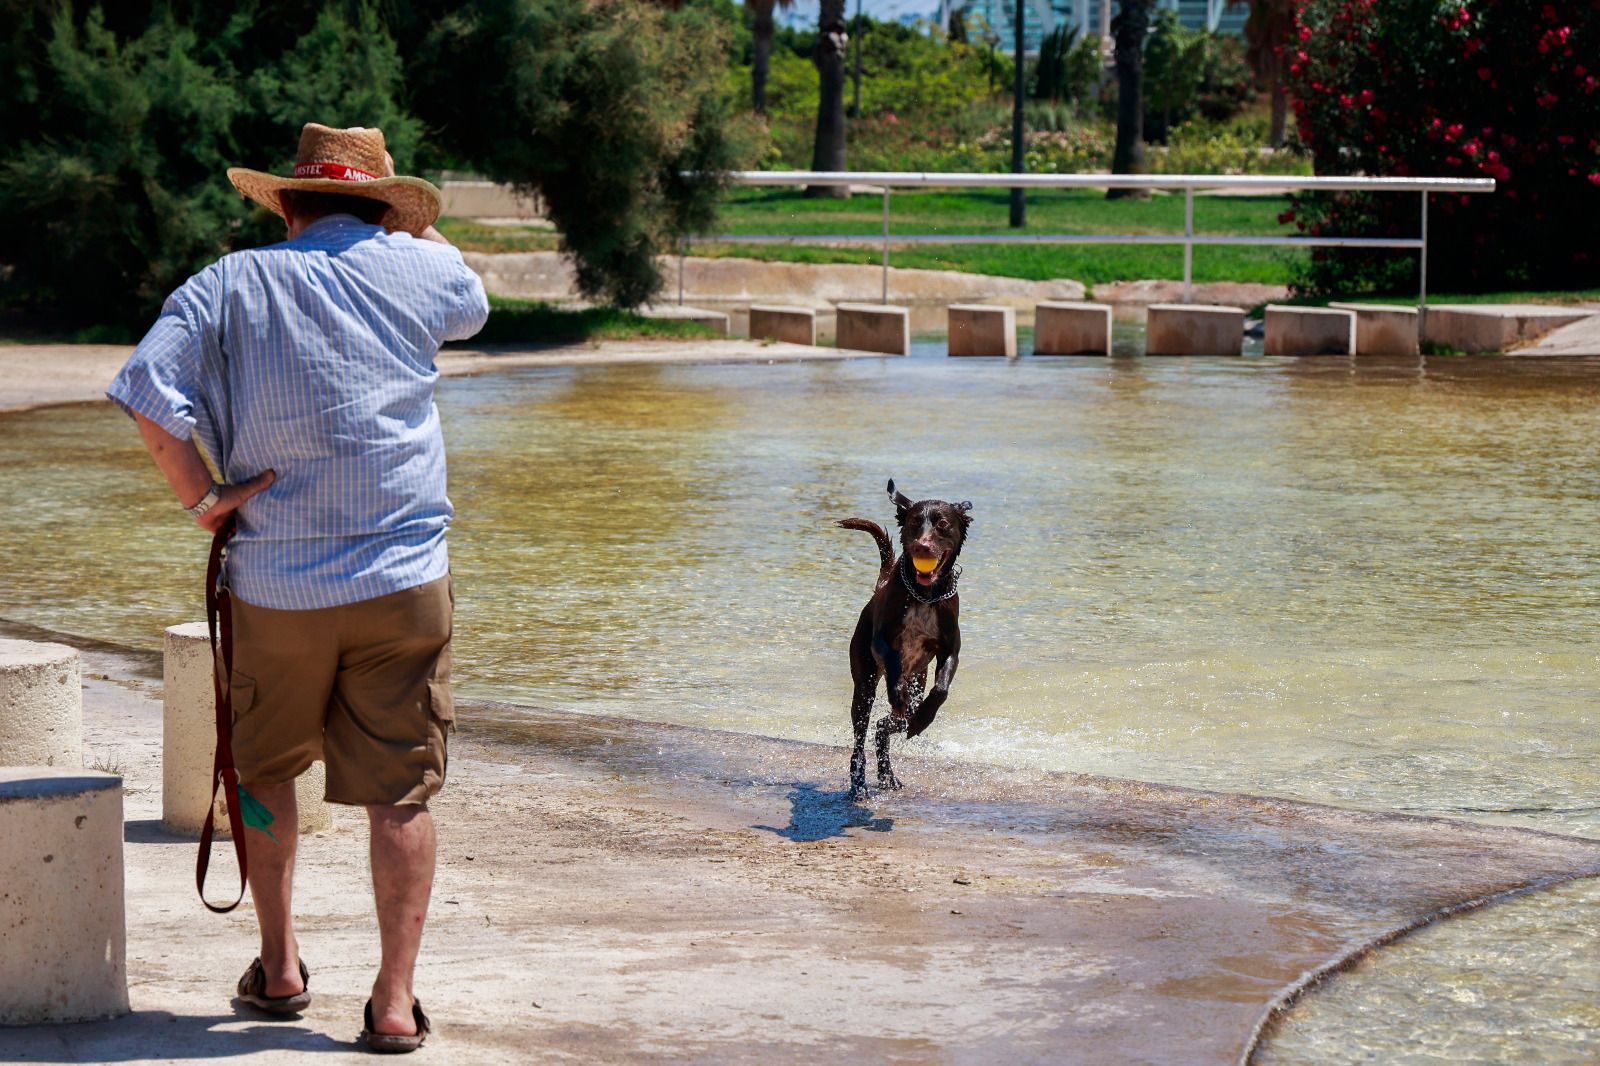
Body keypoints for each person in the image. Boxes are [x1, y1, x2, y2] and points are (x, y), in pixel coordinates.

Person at [107, 122, 489, 1053]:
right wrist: (414, 220)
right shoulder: (421, 272)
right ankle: (393, 1004)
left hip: (275, 584)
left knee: (265, 771)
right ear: (383, 206)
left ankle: (279, 968)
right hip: (404, 579)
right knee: (401, 794)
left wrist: (205, 498)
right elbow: (474, 299)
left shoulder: (230, 282)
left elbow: (146, 391)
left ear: (286, 203)